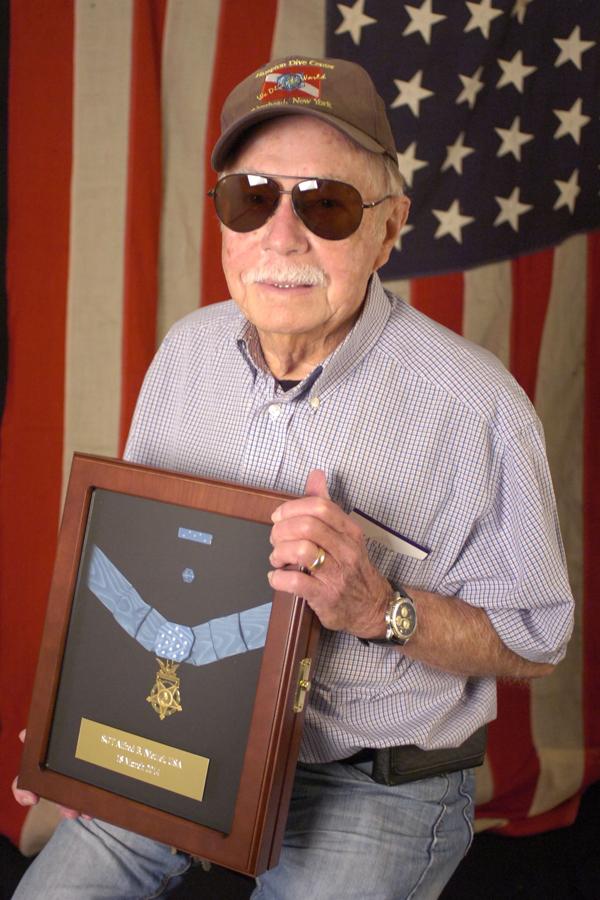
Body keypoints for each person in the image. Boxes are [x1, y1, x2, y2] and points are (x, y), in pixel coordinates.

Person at [13, 55, 573, 899]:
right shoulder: (185, 357)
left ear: (390, 228)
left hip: (373, 784)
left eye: (327, 204)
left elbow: (535, 641)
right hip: (188, 745)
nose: (282, 236)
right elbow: (140, 565)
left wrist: (379, 608)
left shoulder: (477, 408)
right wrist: (77, 725)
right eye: (251, 197)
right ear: (225, 221)